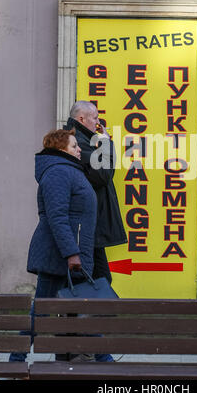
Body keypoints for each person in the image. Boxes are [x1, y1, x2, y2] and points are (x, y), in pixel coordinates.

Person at [9, 128, 97, 362]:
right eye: (74, 146)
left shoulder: (68, 170)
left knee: (77, 308)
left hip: (69, 255)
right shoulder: (58, 172)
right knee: (41, 312)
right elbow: (57, 217)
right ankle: (16, 360)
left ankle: (93, 358)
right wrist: (71, 253)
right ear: (61, 149)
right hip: (58, 256)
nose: (79, 150)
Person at [64, 101, 127, 284]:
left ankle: (88, 311)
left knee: (97, 278)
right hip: (87, 222)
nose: (99, 123)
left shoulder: (82, 139)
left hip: (90, 221)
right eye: (95, 118)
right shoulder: (77, 142)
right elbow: (103, 175)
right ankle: (88, 311)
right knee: (98, 278)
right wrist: (106, 144)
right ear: (81, 119)